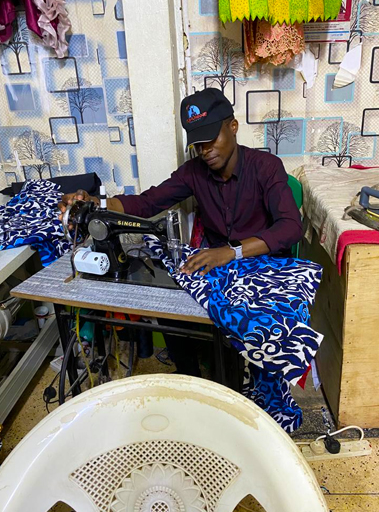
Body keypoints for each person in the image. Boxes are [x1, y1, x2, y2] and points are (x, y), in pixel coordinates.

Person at [58, 87, 303, 375]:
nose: (205, 150)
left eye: (211, 139)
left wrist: (231, 252)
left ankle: (235, 382)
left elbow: (290, 227)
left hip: (262, 264)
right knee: (169, 305)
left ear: (233, 127)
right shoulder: (194, 172)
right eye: (198, 143)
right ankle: (190, 377)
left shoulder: (266, 167)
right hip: (221, 266)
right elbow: (147, 202)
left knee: (252, 327)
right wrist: (96, 203)